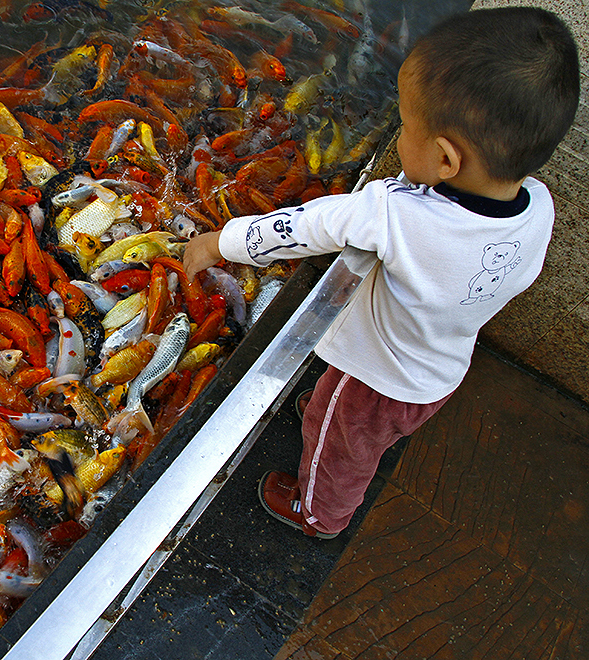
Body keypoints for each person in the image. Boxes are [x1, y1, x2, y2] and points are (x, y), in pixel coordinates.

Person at [183, 7, 580, 539]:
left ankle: (320, 513)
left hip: (377, 377)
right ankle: (352, 426)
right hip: (441, 369)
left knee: (340, 449)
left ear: (445, 160)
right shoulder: (537, 206)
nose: (398, 138)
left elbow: (303, 227)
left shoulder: (396, 214)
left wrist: (220, 242)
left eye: (407, 127)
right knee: (364, 428)